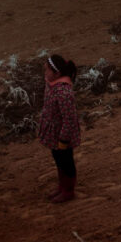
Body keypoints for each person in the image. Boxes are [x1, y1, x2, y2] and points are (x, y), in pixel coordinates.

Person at [39, 54, 81, 203]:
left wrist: (63, 140)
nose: (45, 72)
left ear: (57, 73)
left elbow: (69, 119)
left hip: (63, 135)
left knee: (66, 161)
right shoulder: (51, 83)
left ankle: (68, 191)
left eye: (47, 70)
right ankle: (62, 187)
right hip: (54, 132)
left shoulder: (64, 92)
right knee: (58, 159)